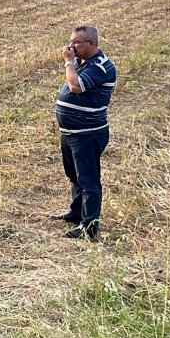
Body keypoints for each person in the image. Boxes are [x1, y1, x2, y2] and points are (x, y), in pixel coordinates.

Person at [52, 25, 116, 241]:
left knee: (88, 180)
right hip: (71, 132)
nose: (71, 46)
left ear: (92, 44)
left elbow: (76, 87)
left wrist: (68, 62)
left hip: (87, 133)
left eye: (76, 42)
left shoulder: (100, 66)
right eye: (71, 41)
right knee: (75, 176)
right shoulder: (83, 63)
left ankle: (90, 227)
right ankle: (76, 213)